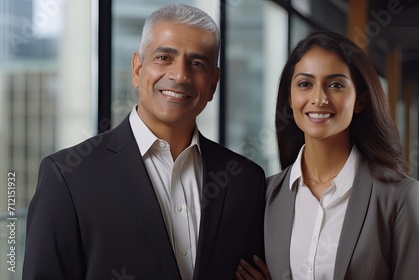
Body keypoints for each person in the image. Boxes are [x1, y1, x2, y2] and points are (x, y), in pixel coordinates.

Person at [23, 3, 266, 279]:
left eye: (197, 64)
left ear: (213, 84)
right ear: (138, 69)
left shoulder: (246, 180)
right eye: (164, 57)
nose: (180, 75)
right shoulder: (67, 176)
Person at [237, 31, 419, 280]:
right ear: (290, 97)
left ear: (359, 100)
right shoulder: (264, 195)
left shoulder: (399, 196)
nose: (319, 98)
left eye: (336, 85)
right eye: (305, 84)